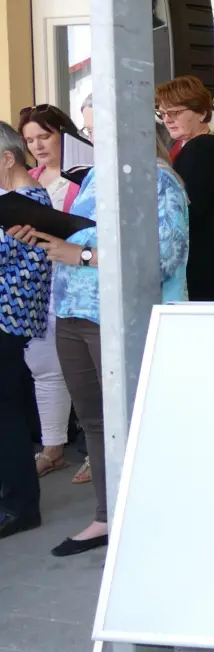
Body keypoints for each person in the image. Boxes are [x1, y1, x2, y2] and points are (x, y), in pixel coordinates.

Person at [16, 137, 191, 559]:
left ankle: (156, 519)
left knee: (134, 419)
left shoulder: (159, 180)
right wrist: (40, 234)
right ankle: (107, 515)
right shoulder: (96, 175)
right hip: (73, 311)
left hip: (117, 316)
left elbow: (162, 257)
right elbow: (81, 236)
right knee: (95, 421)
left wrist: (80, 255)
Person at [15, 105, 81, 482]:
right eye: (30, 140)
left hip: (76, 279)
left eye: (45, 136)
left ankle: (94, 450)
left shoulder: (83, 177)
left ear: (64, 135)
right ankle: (53, 446)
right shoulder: (30, 178)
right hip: (38, 284)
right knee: (44, 364)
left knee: (86, 369)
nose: (38, 145)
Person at [0, 122, 52, 541]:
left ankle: (19, 506)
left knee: (7, 414)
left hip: (6, 321)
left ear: (6, 158)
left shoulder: (24, 202)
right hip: (10, 320)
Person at [157, 75, 214, 302]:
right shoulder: (190, 148)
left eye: (176, 112)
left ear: (201, 112)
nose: (168, 120)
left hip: (202, 267)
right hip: (202, 262)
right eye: (163, 114)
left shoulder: (202, 150)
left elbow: (187, 212)